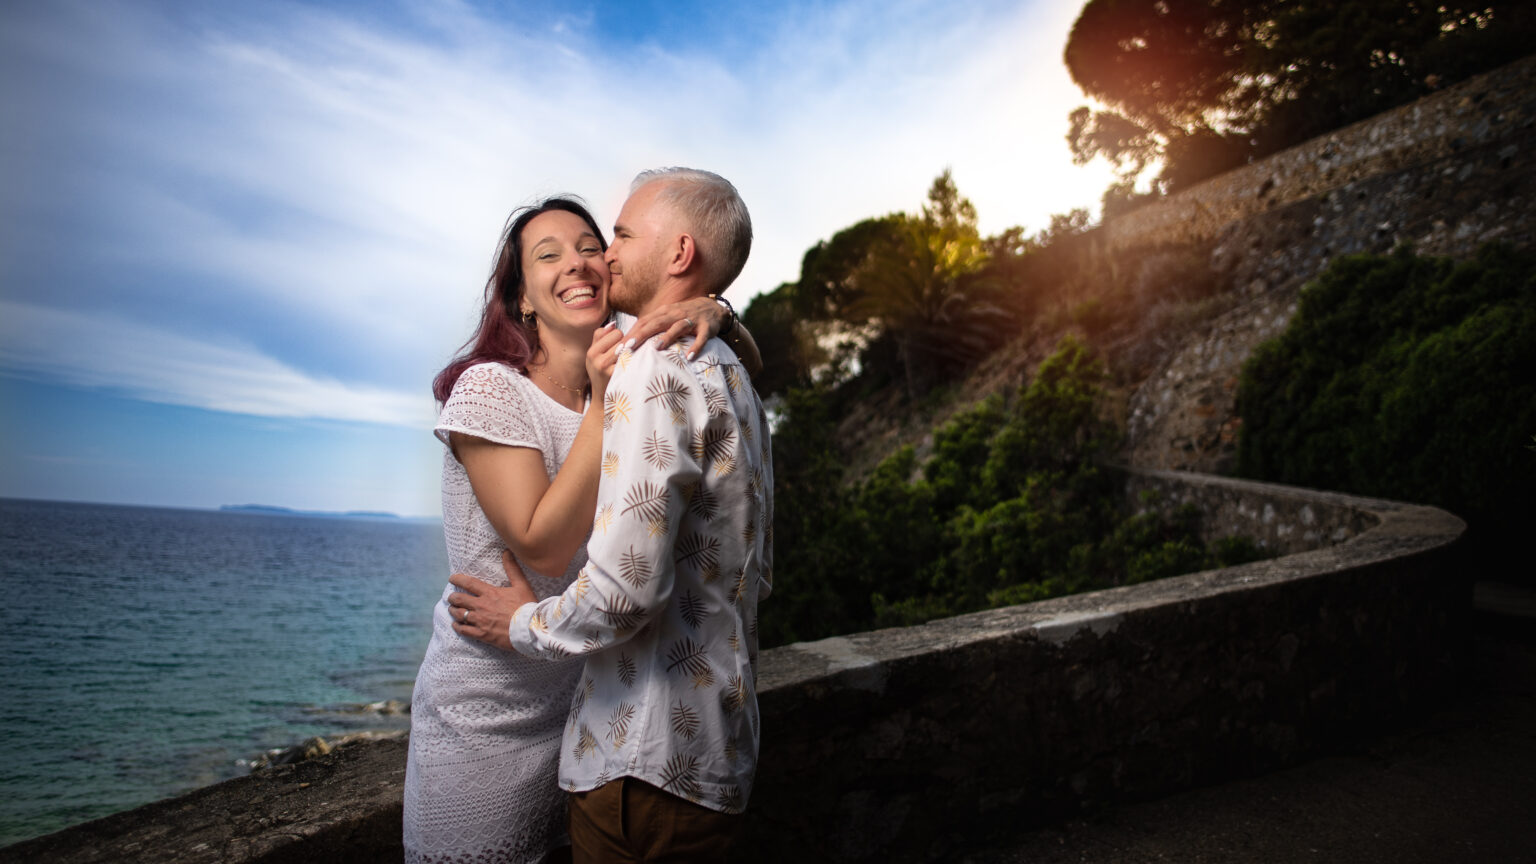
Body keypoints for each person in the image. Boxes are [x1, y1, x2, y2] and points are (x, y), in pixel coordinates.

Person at [403, 195, 755, 864]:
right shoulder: (491, 388)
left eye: (592, 246)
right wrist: (600, 400)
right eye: (550, 254)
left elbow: (739, 366)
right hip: (492, 711)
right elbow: (542, 540)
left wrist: (718, 308)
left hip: (588, 707)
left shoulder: (635, 378)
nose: (579, 263)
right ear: (522, 298)